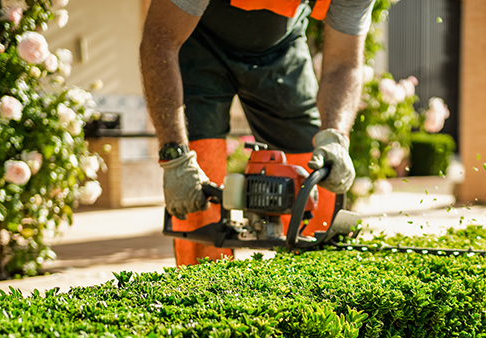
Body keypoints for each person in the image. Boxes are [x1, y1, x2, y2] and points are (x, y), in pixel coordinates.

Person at [140, 0, 374, 265]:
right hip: (196, 39)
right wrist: (175, 155)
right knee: (198, 187)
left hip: (281, 45)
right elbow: (161, 40)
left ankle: (315, 278)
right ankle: (205, 291)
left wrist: (335, 135)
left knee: (315, 176)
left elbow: (344, 62)